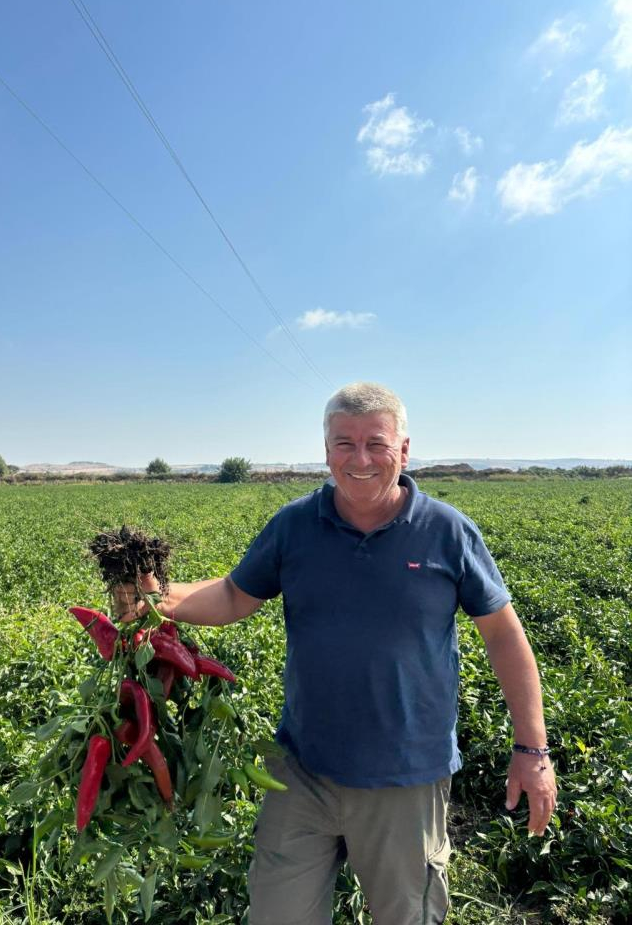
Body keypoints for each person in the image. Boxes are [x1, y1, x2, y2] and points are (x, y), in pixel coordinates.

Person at [118, 382, 557, 925]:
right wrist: (158, 598)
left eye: (376, 443)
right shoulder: (294, 525)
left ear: (403, 450)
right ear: (326, 451)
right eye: (344, 444)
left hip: (405, 778)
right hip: (302, 771)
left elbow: (504, 637)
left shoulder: (446, 532)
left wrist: (532, 749)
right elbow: (233, 595)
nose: (360, 459)